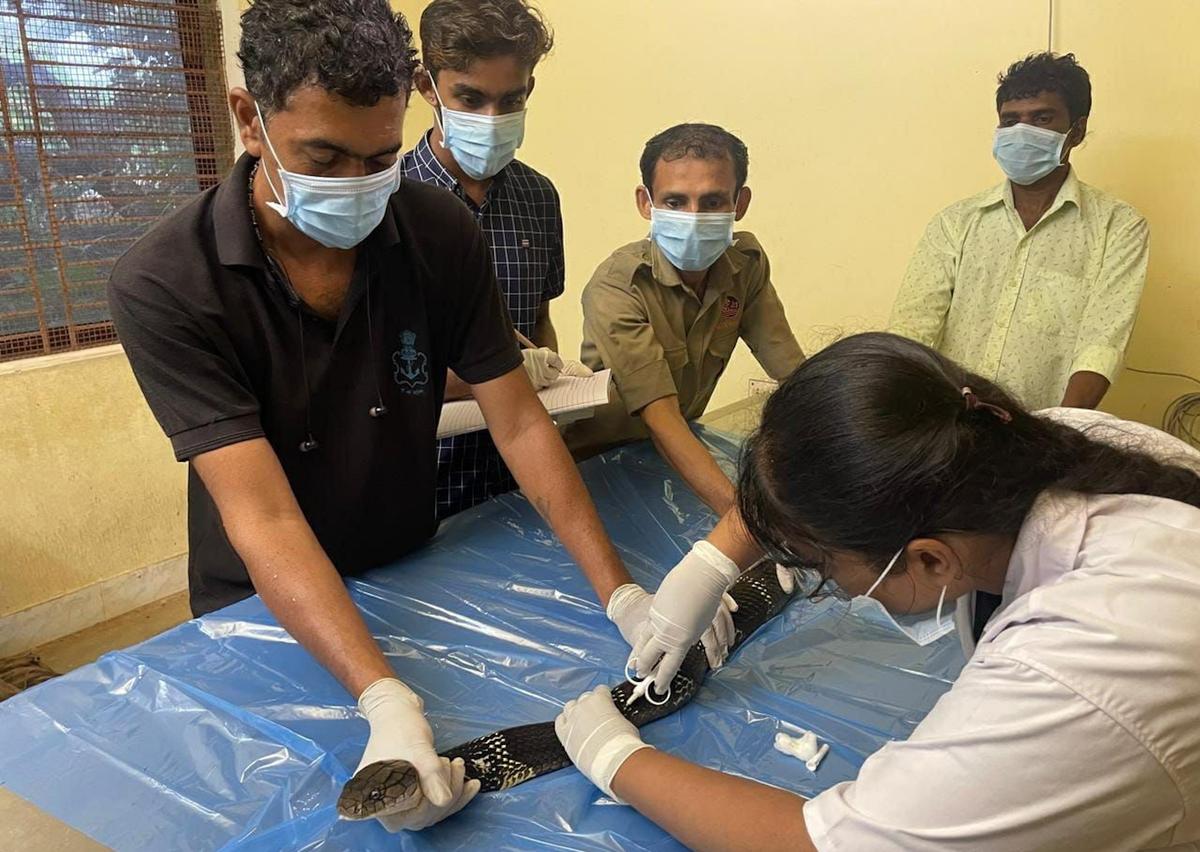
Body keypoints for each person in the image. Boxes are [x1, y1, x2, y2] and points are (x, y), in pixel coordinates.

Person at [107, 0, 728, 833]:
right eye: (323, 157)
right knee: (271, 813)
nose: (357, 186)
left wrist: (617, 592)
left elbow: (519, 424)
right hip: (258, 602)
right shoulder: (168, 283)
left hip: (407, 551)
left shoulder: (436, 235)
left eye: (381, 156)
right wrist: (386, 698)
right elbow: (261, 514)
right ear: (250, 119)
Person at [556, 332, 1200, 851]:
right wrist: (714, 559)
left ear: (928, 560)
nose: (835, 588)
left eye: (826, 573)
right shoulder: (1025, 437)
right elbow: (827, 470)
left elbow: (826, 845)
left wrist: (614, 756)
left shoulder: (1074, 676)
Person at [405, 0, 589, 519]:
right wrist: (506, 377)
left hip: (520, 477)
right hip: (420, 479)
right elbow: (365, 375)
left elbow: (539, 320)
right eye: (470, 98)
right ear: (427, 87)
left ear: (529, 88)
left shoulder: (538, 197)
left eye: (510, 100)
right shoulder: (387, 201)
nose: (492, 119)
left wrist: (556, 385)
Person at [889, 52, 1149, 412]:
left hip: (1043, 431)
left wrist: (1060, 430)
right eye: (1010, 121)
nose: (1022, 132)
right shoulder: (956, 223)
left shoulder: (1118, 226)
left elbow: (1102, 343)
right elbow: (911, 329)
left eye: (1042, 118)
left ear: (1077, 129)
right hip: (949, 423)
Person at [569, 123, 804, 518]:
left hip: (675, 459)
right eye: (675, 202)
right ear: (646, 203)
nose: (693, 218)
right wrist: (744, 521)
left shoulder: (745, 266)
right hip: (599, 470)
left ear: (739, 203)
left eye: (712, 202)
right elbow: (661, 417)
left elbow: (793, 372)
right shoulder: (617, 286)